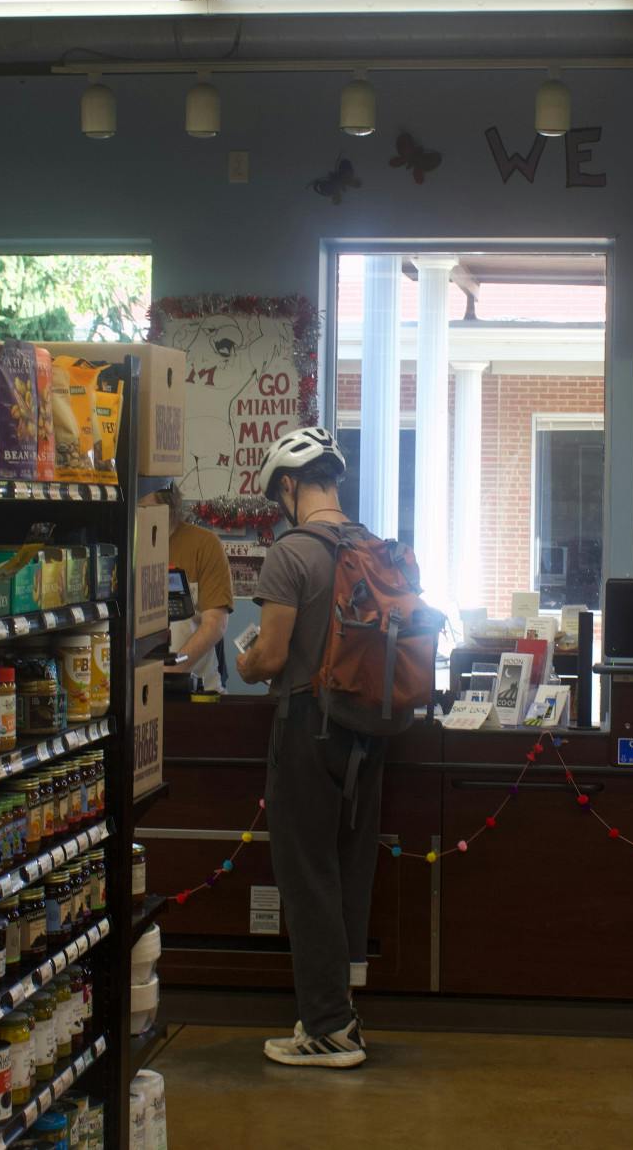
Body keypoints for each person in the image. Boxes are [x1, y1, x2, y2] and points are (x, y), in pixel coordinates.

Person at [236, 425, 399, 1069]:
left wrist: (248, 661)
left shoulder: (292, 553)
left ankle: (328, 1028)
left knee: (307, 877)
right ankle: (342, 1011)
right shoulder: (371, 545)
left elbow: (271, 656)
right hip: (369, 728)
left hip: (308, 728)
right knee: (348, 869)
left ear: (288, 486)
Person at [161, 486, 233, 691]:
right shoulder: (129, 541)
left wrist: (171, 670)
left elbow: (215, 624)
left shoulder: (205, 544)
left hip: (198, 689)